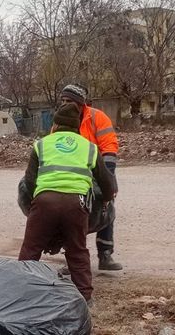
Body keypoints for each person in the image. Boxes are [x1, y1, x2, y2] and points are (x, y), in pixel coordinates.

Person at [18, 103, 117, 302]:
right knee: (77, 251)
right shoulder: (89, 147)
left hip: (45, 202)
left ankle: (21, 295)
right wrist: (106, 201)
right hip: (76, 205)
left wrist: (33, 208)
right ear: (78, 127)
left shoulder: (41, 144)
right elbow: (107, 183)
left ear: (55, 125)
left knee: (30, 250)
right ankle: (85, 299)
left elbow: (29, 181)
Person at [60, 84, 123, 271]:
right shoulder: (60, 121)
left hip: (99, 168)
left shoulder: (97, 118)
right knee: (72, 213)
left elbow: (109, 148)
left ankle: (105, 255)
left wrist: (108, 178)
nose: (64, 105)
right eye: (62, 101)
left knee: (106, 207)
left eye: (69, 101)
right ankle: (73, 257)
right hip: (73, 172)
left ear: (80, 103)